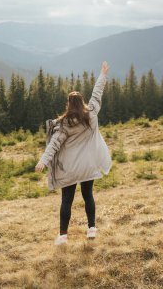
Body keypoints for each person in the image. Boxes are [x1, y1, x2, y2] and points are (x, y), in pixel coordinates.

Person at [35, 61, 112, 245]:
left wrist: (43, 161)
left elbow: (54, 145)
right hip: (88, 166)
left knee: (67, 201)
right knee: (88, 196)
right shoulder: (92, 113)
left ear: (69, 104)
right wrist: (103, 74)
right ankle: (91, 229)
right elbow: (97, 93)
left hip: (70, 168)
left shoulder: (63, 124)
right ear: (82, 102)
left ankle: (62, 236)